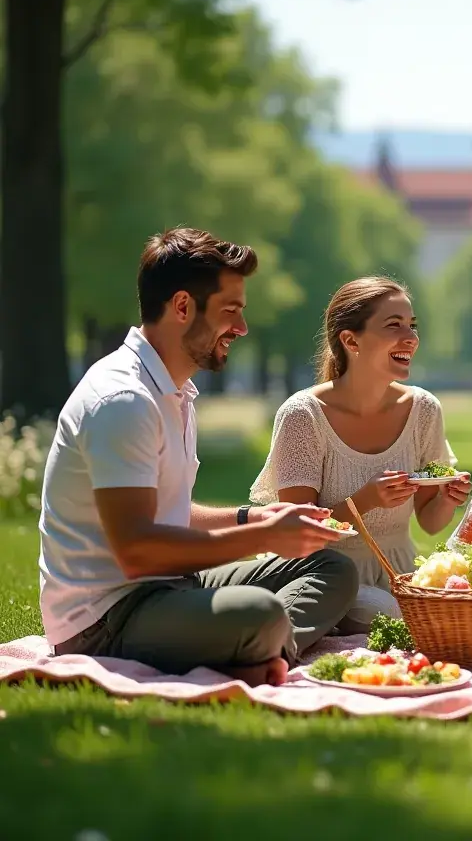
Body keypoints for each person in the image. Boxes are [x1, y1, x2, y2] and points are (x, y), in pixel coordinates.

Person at [38, 228, 360, 687]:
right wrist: (266, 536)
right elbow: (137, 552)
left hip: (169, 588)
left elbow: (167, 514)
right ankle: (258, 647)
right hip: (107, 619)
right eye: (231, 311)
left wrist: (253, 517)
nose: (242, 329)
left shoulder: (174, 391)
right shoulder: (123, 399)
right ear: (183, 306)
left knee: (331, 568)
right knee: (261, 613)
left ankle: (263, 654)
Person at [249, 277, 472, 630]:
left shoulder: (424, 410)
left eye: (412, 325)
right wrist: (366, 499)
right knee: (393, 617)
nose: (410, 337)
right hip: (322, 575)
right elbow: (298, 535)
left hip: (400, 572)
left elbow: (430, 522)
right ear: (351, 340)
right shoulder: (302, 416)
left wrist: (447, 497)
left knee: (457, 614)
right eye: (394, 325)